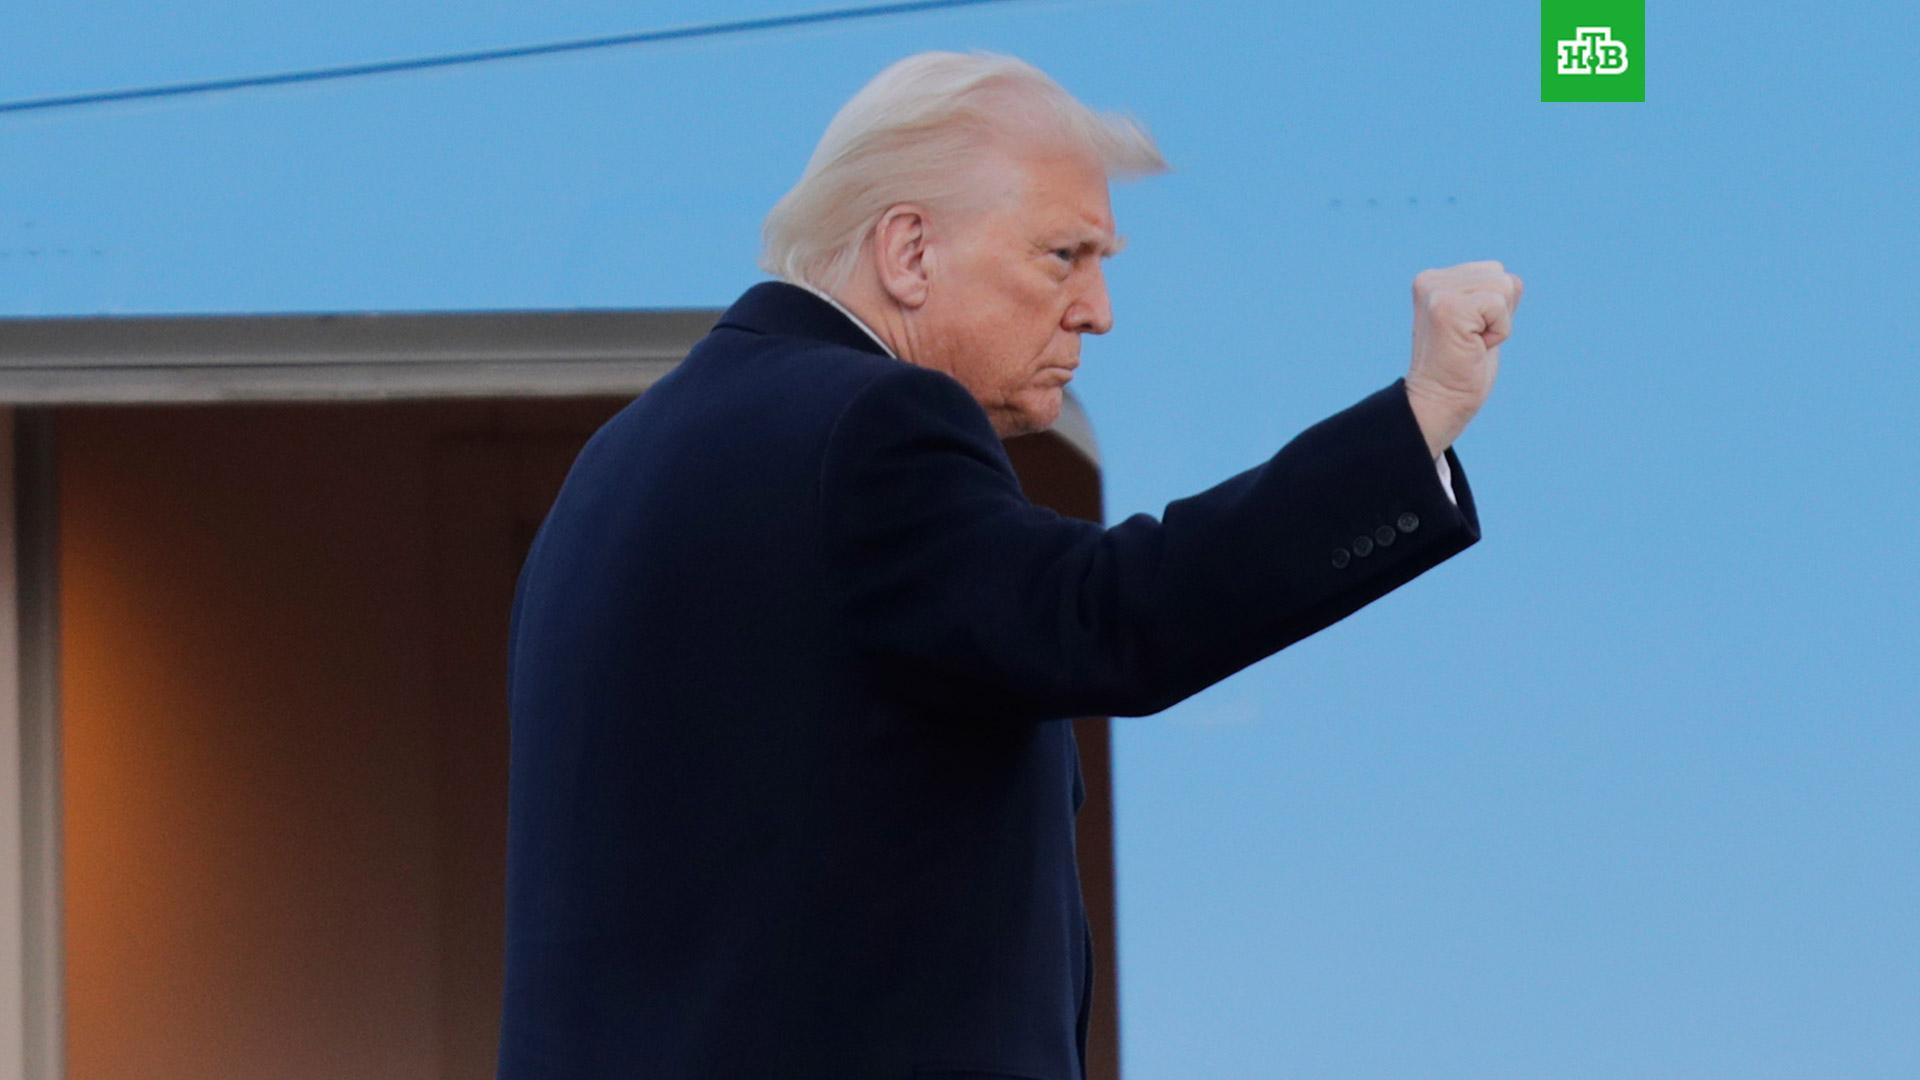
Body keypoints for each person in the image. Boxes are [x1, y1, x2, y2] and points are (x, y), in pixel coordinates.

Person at [497, 50, 1522, 1080]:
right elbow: (1108, 614)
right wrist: (1419, 421)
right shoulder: (871, 423)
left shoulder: (614, 465)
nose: (1098, 308)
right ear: (909, 251)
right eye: (1064, 255)